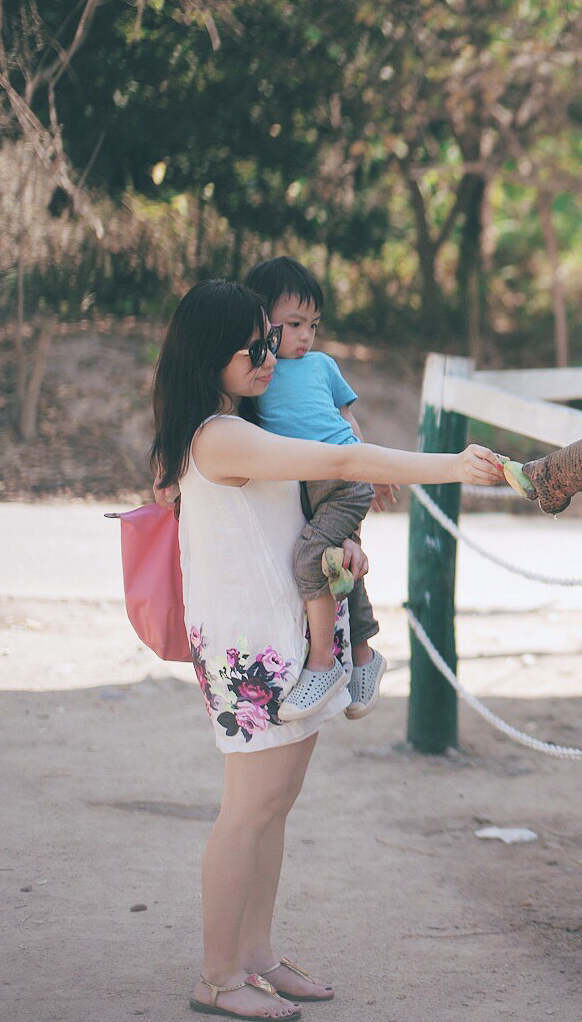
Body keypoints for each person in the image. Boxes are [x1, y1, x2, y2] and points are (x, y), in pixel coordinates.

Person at [151, 279, 503, 1018]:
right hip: (252, 652)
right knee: (247, 810)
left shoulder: (243, 423)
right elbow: (343, 463)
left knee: (275, 804)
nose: (268, 353)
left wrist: (342, 552)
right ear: (207, 354)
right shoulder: (218, 435)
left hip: (290, 630)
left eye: (269, 338)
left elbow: (298, 519)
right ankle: (217, 976)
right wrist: (451, 466)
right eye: (252, 342)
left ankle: (257, 957)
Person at [241, 257, 394, 721]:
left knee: (310, 559)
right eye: (293, 324)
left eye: (312, 325)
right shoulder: (257, 373)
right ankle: (365, 657)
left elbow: (348, 422)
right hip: (308, 489)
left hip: (344, 482)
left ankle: (323, 664)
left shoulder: (323, 366)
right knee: (345, 566)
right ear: (263, 323)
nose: (306, 336)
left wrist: (376, 467)